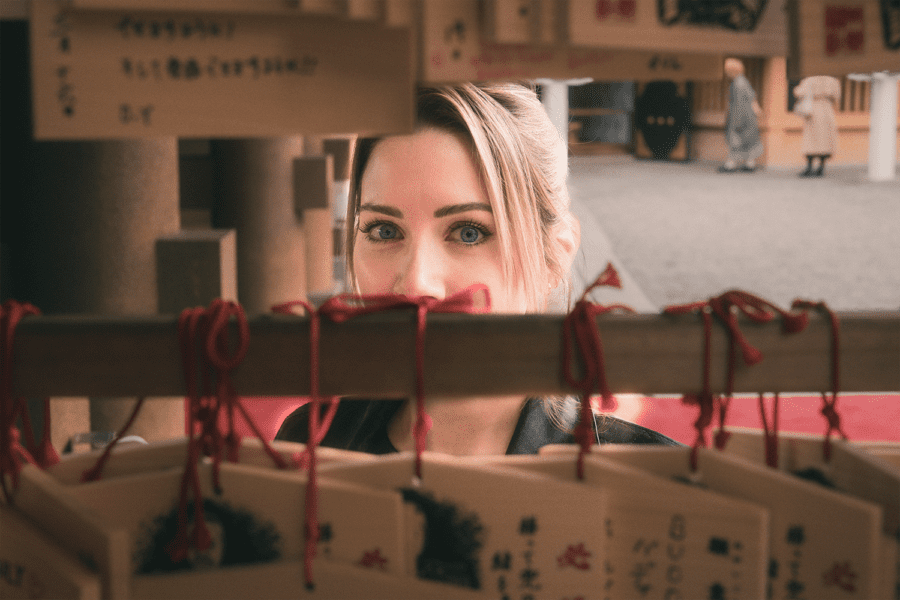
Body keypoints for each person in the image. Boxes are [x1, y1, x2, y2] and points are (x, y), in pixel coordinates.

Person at [277, 82, 678, 455]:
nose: (417, 282)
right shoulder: (308, 448)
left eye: (468, 233)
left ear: (553, 257)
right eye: (384, 231)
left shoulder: (646, 482)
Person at [719, 58, 764, 173]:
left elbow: (738, 104)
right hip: (748, 117)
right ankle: (749, 163)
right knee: (748, 141)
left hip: (741, 116)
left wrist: (736, 121)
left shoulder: (738, 84)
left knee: (735, 140)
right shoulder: (743, 81)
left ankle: (731, 164)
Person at [794, 75, 841, 177]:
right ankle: (821, 167)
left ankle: (809, 167)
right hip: (827, 110)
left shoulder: (809, 79)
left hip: (813, 111)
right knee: (825, 141)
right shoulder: (832, 80)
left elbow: (798, 92)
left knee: (811, 140)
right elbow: (837, 96)